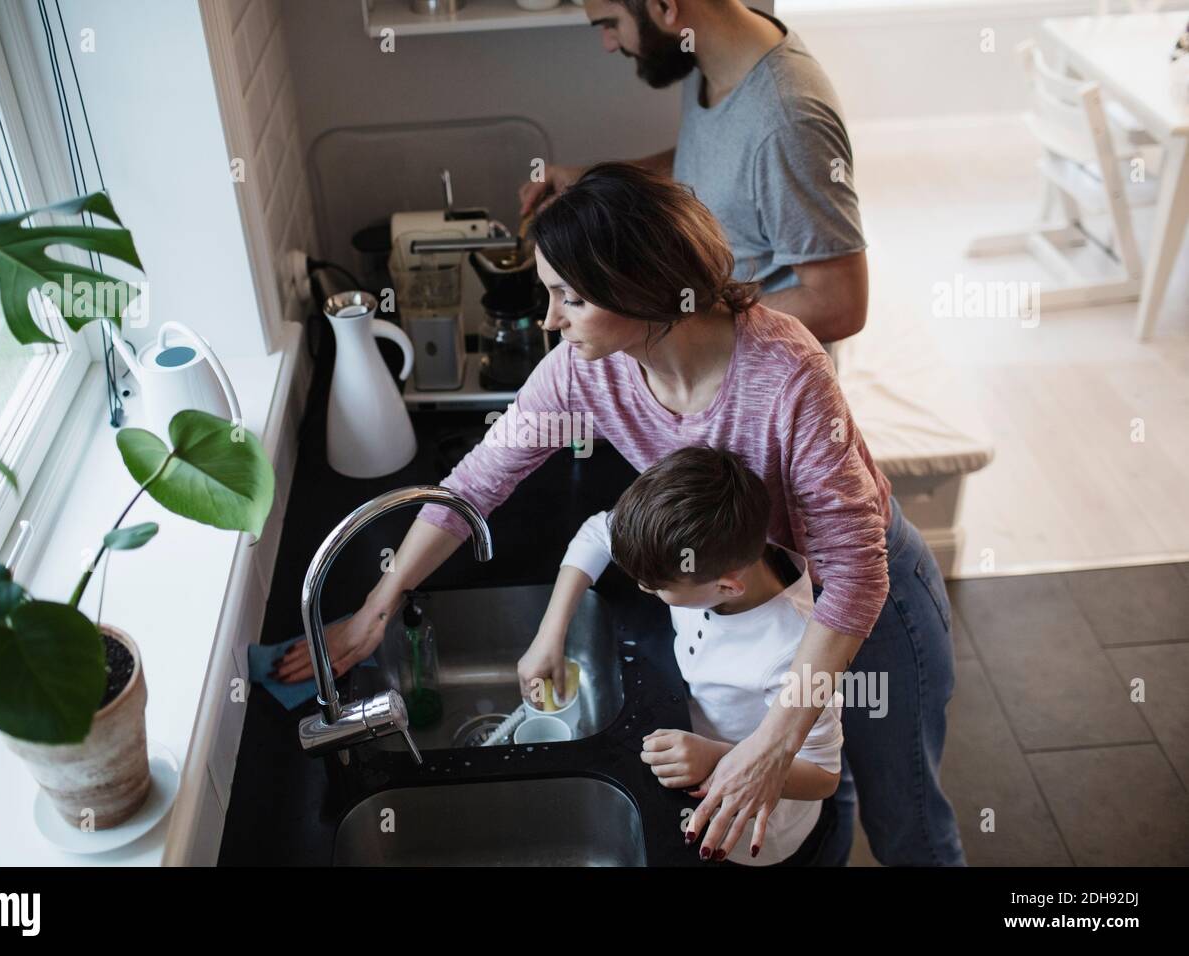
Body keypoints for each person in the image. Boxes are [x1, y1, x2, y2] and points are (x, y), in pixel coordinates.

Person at [275, 163, 963, 866]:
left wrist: (776, 742)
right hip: (756, 604)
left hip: (864, 609)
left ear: (637, 284)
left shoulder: (787, 373)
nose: (549, 319)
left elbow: (853, 576)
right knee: (820, 803)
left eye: (568, 297)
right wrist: (379, 604)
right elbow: (476, 484)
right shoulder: (587, 370)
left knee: (905, 818)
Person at [522, 445, 843, 865]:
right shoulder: (698, 553)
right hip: (695, 753)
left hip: (753, 834)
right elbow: (598, 533)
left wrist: (716, 755)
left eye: (657, 587)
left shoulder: (793, 653)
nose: (643, 589)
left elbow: (823, 776)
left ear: (728, 587)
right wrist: (551, 635)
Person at [519, 0, 869, 344]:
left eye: (610, 24)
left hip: (752, 375)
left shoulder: (787, 120)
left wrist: (672, 318)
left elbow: (839, 306)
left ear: (665, 6)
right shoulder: (714, 59)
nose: (609, 44)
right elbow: (726, 161)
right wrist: (588, 178)